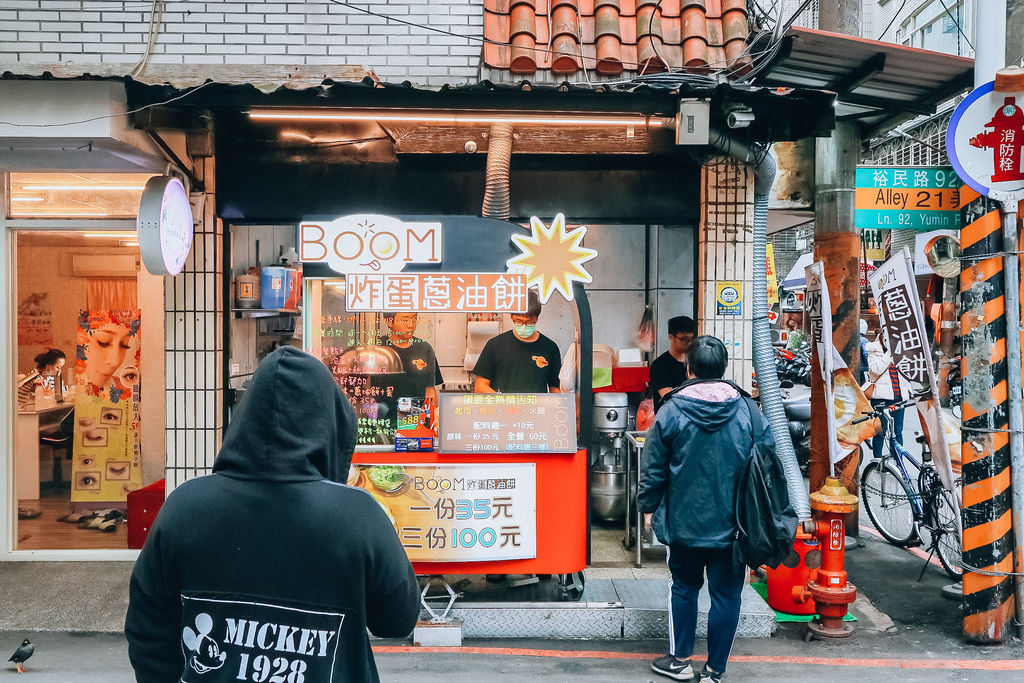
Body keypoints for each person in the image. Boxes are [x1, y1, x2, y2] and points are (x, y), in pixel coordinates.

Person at [125, 346, 419, 682]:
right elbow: (396, 620)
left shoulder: (185, 506)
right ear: (332, 423)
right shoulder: (358, 515)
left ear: (245, 418)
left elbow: (147, 626)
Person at [638, 336, 775, 683]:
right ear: (724, 367)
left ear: (689, 367)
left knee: (683, 588)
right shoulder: (749, 410)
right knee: (727, 594)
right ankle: (714, 672)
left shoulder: (670, 409)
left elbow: (653, 467)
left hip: (684, 522)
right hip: (735, 525)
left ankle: (680, 661)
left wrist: (648, 507)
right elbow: (768, 465)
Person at [473, 290, 561, 394]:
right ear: (511, 316)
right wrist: (503, 402)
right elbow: (480, 386)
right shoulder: (495, 345)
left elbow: (555, 389)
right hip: (502, 409)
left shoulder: (550, 348)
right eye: (518, 321)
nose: (523, 326)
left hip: (536, 409)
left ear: (537, 319)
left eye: (529, 322)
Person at [380, 312, 443, 429]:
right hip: (384, 426)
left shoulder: (424, 348)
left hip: (416, 424)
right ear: (389, 321)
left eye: (414, 319)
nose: (411, 325)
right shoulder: (377, 348)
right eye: (405, 320)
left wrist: (429, 424)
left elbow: (430, 392)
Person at [865, 334, 908, 458]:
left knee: (898, 431)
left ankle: (898, 461)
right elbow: (876, 369)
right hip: (881, 397)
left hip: (899, 396)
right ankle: (877, 460)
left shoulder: (901, 349)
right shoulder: (873, 349)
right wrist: (890, 353)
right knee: (880, 431)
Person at [649, 315, 696, 413]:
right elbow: (669, 398)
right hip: (669, 420)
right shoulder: (660, 365)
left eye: (690, 339)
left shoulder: (695, 362)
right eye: (683, 339)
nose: (688, 343)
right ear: (671, 337)